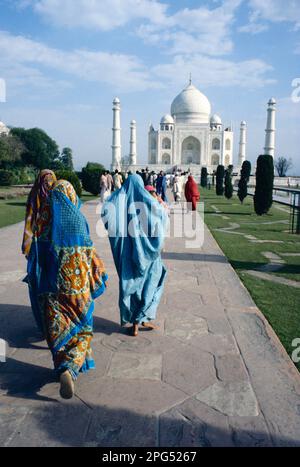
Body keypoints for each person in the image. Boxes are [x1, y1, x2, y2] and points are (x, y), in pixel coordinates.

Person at [23, 179, 108, 399]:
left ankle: (63, 366)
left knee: (56, 330)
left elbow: (34, 256)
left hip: (49, 290)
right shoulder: (77, 220)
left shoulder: (43, 221)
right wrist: (100, 274)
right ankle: (70, 368)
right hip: (76, 290)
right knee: (83, 330)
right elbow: (89, 254)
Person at [102, 175, 167, 337]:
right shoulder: (148, 201)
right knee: (149, 285)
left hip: (127, 254)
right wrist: (160, 206)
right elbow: (162, 218)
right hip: (149, 256)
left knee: (134, 287)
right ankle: (141, 320)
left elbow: (106, 214)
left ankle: (138, 322)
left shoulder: (117, 201)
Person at [22, 169, 57, 258]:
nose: (48, 184)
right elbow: (29, 222)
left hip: (54, 237)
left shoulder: (57, 196)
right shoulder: (34, 196)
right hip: (38, 237)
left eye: (50, 180)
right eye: (45, 181)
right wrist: (28, 245)